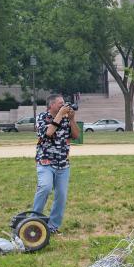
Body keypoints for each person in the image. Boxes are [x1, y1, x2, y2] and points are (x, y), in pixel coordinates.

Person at [32, 94, 80, 235]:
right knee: (45, 188)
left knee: (61, 196)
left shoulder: (66, 119)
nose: (63, 105)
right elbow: (48, 133)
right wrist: (59, 114)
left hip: (63, 164)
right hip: (45, 161)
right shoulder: (42, 117)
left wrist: (71, 119)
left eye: (64, 103)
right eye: (60, 103)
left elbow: (76, 136)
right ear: (51, 105)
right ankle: (34, 222)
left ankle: (53, 226)